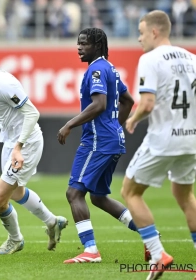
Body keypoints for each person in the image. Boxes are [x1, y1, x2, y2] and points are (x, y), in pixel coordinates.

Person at [0, 43, 68, 255]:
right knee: (16, 193)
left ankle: (15, 239)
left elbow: (33, 113)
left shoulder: (2, 84)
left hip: (26, 142)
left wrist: (18, 147)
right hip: (9, 141)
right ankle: (53, 222)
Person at [121, 10, 196, 280]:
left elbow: (148, 103)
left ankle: (158, 254)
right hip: (191, 138)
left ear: (154, 31)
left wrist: (133, 119)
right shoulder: (192, 59)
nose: (139, 39)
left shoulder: (150, 59)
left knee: (130, 192)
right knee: (185, 196)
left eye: (141, 33)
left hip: (164, 139)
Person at [57, 27, 136, 263]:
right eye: (78, 43)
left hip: (97, 142)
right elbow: (128, 100)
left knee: (74, 193)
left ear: (98, 46)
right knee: (99, 197)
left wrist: (69, 124)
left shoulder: (97, 69)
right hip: (111, 140)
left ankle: (90, 250)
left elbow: (99, 104)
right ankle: (150, 235)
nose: (79, 47)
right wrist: (115, 127)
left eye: (85, 43)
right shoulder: (110, 68)